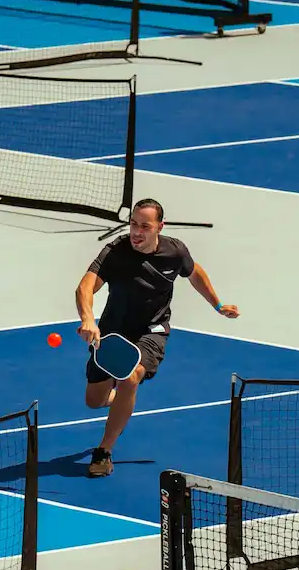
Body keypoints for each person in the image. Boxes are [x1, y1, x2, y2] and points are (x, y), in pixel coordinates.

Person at [73, 198, 239, 478]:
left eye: (145, 226)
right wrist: (88, 318)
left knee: (131, 376)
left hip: (152, 331)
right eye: (133, 224)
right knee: (95, 401)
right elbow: (85, 287)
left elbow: (194, 272)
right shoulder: (116, 252)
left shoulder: (174, 251)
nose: (137, 231)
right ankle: (120, 398)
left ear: (160, 227)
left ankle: (103, 451)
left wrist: (217, 304)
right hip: (113, 334)